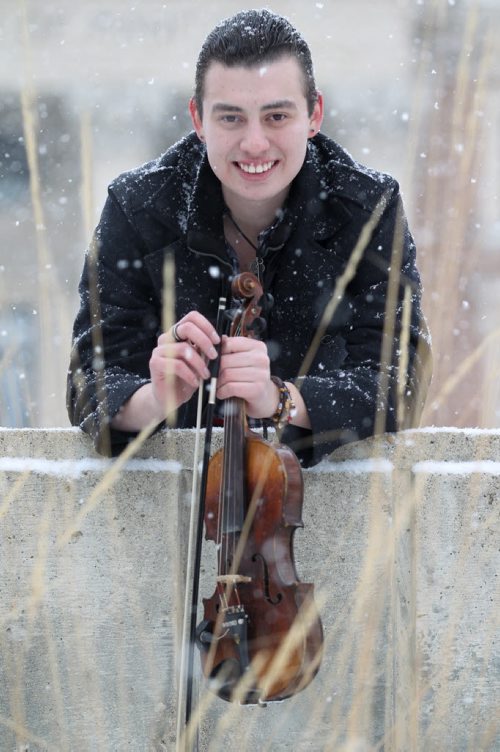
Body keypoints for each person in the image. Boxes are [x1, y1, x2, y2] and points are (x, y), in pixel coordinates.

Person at [67, 9, 431, 465]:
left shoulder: (368, 207)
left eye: (276, 116)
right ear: (198, 119)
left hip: (325, 501)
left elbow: (400, 381)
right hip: (170, 504)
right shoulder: (138, 207)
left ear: (314, 114)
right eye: (231, 118)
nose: (255, 143)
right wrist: (154, 398)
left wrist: (280, 399)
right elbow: (88, 384)